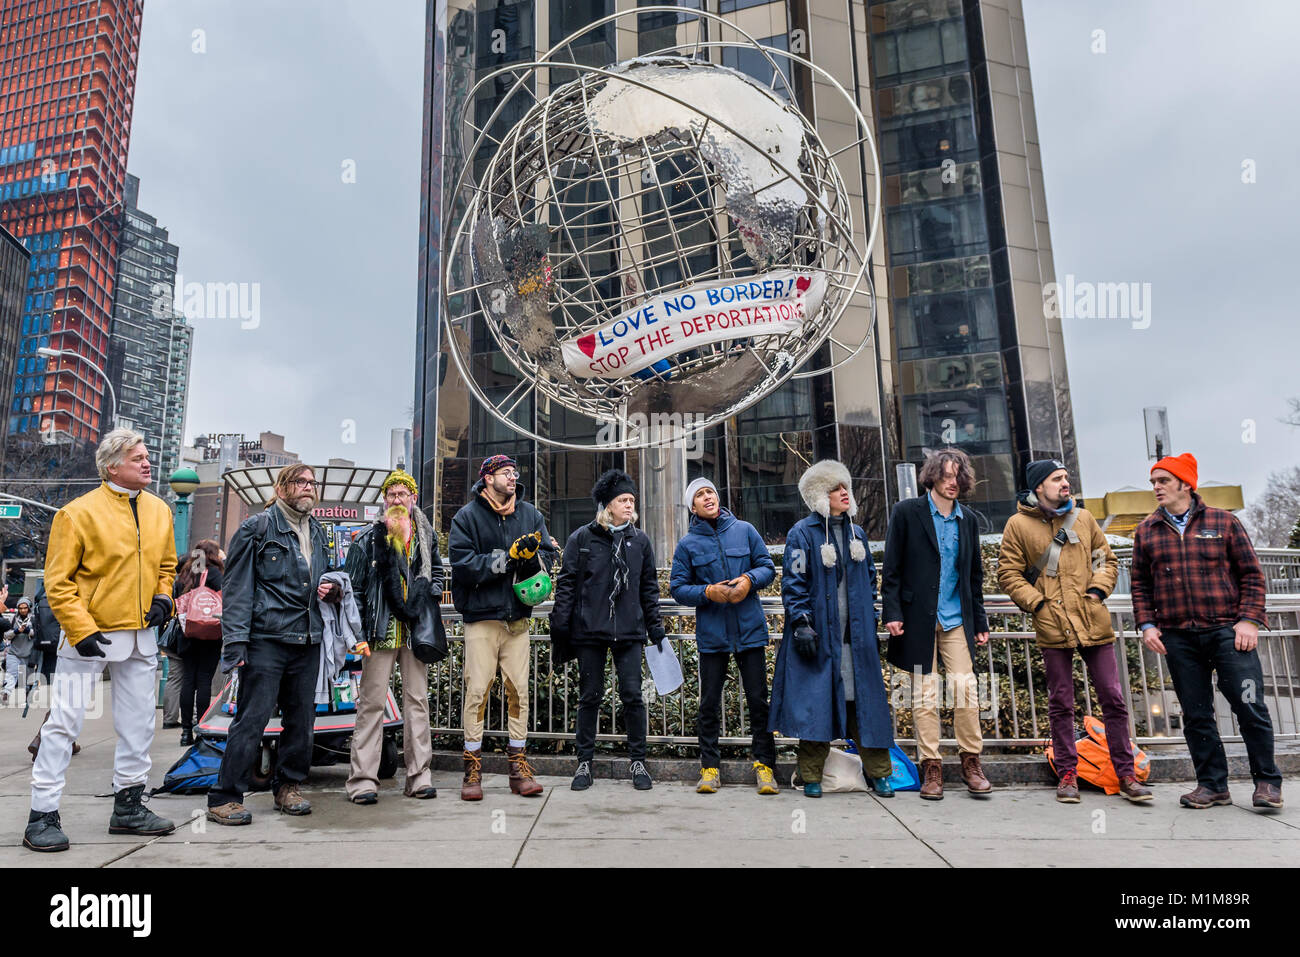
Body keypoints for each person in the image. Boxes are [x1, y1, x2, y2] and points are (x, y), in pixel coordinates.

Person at [24, 429, 178, 852]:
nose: (147, 463)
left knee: (139, 726)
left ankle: (129, 807)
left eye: (147, 456)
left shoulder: (160, 511)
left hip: (141, 636)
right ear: (111, 466)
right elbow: (58, 583)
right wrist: (81, 629)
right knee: (63, 724)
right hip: (88, 636)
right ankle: (42, 814)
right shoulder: (76, 514)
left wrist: (165, 597)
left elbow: (168, 564)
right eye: (137, 458)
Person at [1131, 453, 1281, 810]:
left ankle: (1267, 784)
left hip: (1228, 633)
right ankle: (1212, 785)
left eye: (1163, 481)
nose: (1156, 488)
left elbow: (1251, 575)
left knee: (1250, 707)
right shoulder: (1146, 530)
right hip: (1178, 637)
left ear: (1185, 483)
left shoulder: (1224, 522)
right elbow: (1139, 584)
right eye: (1153, 482)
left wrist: (1248, 619)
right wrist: (1147, 624)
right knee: (1196, 715)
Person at [997, 459, 1151, 804]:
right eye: (1057, 479)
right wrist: (1038, 604)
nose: (1065, 483)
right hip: (1052, 623)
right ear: (1039, 487)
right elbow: (1009, 574)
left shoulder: (1082, 518)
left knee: (1112, 699)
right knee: (1060, 702)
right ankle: (1068, 774)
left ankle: (1125, 774)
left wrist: (1097, 592)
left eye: (1066, 477)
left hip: (1093, 621)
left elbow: (1106, 560)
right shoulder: (1017, 525)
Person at [206, 464, 338, 826]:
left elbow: (330, 578)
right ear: (282, 489)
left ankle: (288, 787)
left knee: (301, 722)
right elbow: (236, 590)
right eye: (301, 481)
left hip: (309, 639)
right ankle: (226, 795)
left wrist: (336, 589)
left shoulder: (319, 531)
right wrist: (235, 644)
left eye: (313, 482)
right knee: (251, 720)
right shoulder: (256, 528)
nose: (309, 487)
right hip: (267, 639)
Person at [770, 460, 896, 798]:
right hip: (819, 639)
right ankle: (811, 775)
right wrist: (801, 623)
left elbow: (870, 578)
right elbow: (793, 583)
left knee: (864, 706)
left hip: (857, 641)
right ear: (819, 496)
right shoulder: (802, 534)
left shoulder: (857, 533)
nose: (845, 493)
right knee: (817, 707)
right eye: (836, 489)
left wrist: (869, 619)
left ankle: (880, 773)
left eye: (846, 487)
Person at [881, 448, 991, 800]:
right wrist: (892, 613)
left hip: (957, 618)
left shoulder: (968, 520)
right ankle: (931, 766)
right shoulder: (906, 513)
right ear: (931, 476)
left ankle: (971, 761)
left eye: (957, 475)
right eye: (945, 475)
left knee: (965, 687)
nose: (952, 481)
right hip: (916, 620)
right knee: (923, 693)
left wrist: (980, 620)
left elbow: (974, 575)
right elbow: (892, 569)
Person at [448, 454, 558, 800]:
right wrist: (507, 557)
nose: (512, 478)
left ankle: (518, 767)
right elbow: (463, 566)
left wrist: (534, 559)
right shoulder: (465, 517)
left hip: (518, 619)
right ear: (487, 478)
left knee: (519, 693)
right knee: (477, 692)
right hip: (482, 618)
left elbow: (551, 553)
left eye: (514, 473)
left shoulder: (530, 515)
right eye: (505, 473)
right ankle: (472, 770)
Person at [551, 469, 664, 792]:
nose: (629, 505)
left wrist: (655, 629)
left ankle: (637, 761)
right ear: (607, 505)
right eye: (622, 500)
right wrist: (561, 627)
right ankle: (584, 762)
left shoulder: (639, 541)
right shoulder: (582, 538)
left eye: (631, 500)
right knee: (590, 697)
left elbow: (649, 588)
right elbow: (567, 584)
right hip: (590, 632)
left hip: (629, 632)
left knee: (632, 697)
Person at [668, 476, 780, 795]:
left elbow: (767, 568)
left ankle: (764, 767)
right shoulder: (688, 544)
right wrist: (707, 592)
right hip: (713, 635)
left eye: (711, 493)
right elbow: (677, 588)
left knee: (758, 701)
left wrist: (748, 579)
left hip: (750, 632)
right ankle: (710, 768)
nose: (708, 498)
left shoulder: (745, 530)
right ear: (693, 506)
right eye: (700, 495)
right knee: (709, 703)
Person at [344, 469, 444, 804]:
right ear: (384, 500)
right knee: (371, 705)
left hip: (416, 631)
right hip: (379, 631)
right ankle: (362, 781)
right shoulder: (367, 539)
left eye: (403, 494)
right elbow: (353, 589)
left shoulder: (426, 537)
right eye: (391, 495)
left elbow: (439, 572)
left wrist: (429, 594)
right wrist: (357, 632)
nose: (397, 500)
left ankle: (419, 777)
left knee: (417, 702)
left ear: (413, 499)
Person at [173, 540, 225, 746]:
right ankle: (202, 730)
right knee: (204, 681)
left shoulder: (185, 575)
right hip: (210, 633)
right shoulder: (215, 574)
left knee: (188, 680)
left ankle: (185, 732)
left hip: (187, 634)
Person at [2, 596, 33, 705]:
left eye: (25, 608)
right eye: (20, 608)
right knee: (11, 674)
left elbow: (37, 634)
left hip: (28, 654)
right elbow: (6, 635)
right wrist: (16, 631)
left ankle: (26, 699)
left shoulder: (33, 619)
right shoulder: (13, 619)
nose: (23, 610)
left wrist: (28, 631)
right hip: (13, 653)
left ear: (29, 608)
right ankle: (5, 695)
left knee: (26, 678)